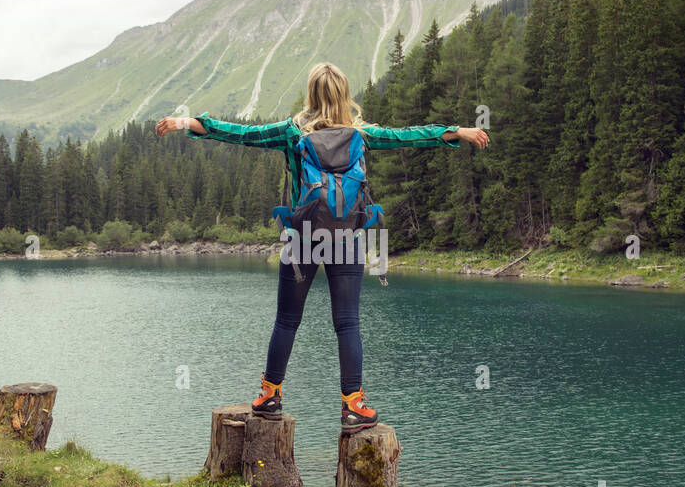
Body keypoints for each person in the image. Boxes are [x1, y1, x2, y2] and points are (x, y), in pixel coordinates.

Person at [156, 62, 489, 432]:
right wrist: (456, 132)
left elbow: (239, 134)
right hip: (346, 239)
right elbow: (407, 136)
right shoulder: (360, 133)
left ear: (311, 95)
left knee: (287, 321)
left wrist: (186, 123)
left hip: (301, 240)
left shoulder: (291, 132)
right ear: (344, 95)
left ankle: (270, 396)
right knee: (347, 323)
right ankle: (353, 406)